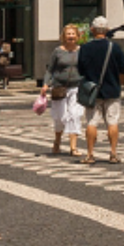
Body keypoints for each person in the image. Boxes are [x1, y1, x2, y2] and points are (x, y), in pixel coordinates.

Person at [76, 17, 124, 164]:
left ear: (92, 29)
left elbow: (81, 70)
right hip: (112, 90)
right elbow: (123, 68)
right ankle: (113, 153)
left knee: (92, 122)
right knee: (112, 121)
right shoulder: (114, 47)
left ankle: (90, 154)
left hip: (92, 91)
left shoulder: (85, 48)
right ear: (107, 30)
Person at [40, 25, 84, 156]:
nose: (71, 36)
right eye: (68, 34)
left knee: (74, 115)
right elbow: (50, 70)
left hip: (76, 87)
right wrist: (45, 84)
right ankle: (57, 141)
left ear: (77, 36)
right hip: (59, 87)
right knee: (61, 117)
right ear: (64, 37)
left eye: (73, 34)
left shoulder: (82, 51)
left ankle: (73, 147)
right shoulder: (58, 51)